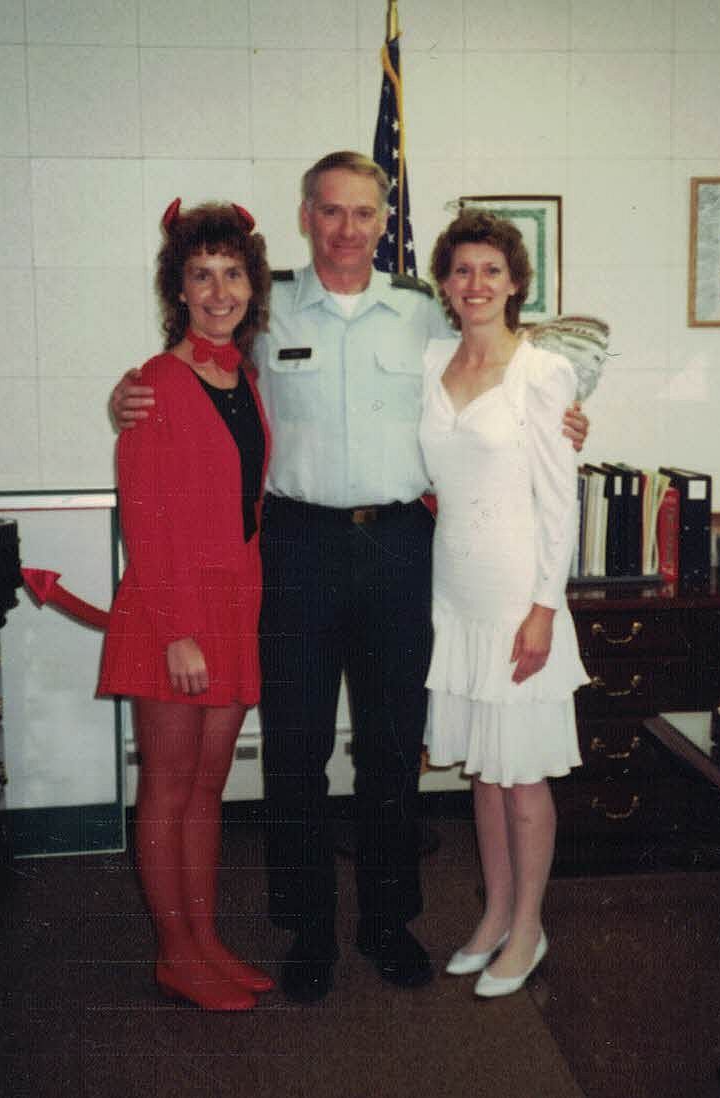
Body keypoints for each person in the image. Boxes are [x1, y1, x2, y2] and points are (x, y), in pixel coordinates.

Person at [110, 151, 588, 1005]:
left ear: (383, 220)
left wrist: (568, 407)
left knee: (388, 750)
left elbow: (502, 360)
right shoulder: (266, 307)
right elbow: (197, 370)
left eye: (363, 213)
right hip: (293, 549)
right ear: (305, 217)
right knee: (295, 752)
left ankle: (386, 921)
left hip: (401, 546)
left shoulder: (419, 315)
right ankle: (306, 930)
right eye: (330, 212)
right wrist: (126, 395)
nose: (346, 229)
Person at [98, 199, 273, 1011]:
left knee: (208, 789)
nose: (218, 289)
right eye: (200, 274)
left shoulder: (245, 375)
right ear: (178, 286)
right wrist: (176, 633)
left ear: (251, 283)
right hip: (174, 612)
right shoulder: (153, 385)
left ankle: (203, 941)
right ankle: (174, 951)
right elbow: (143, 516)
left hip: (235, 602)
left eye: (231, 273)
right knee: (168, 788)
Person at [421, 208, 588, 998]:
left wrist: (544, 608)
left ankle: (529, 926)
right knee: (483, 774)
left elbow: (561, 503)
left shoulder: (542, 371)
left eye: (491, 270)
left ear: (515, 282)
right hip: (453, 599)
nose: (475, 283)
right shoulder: (428, 361)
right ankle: (493, 915)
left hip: (519, 599)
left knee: (521, 774)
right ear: (444, 285)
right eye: (461, 270)